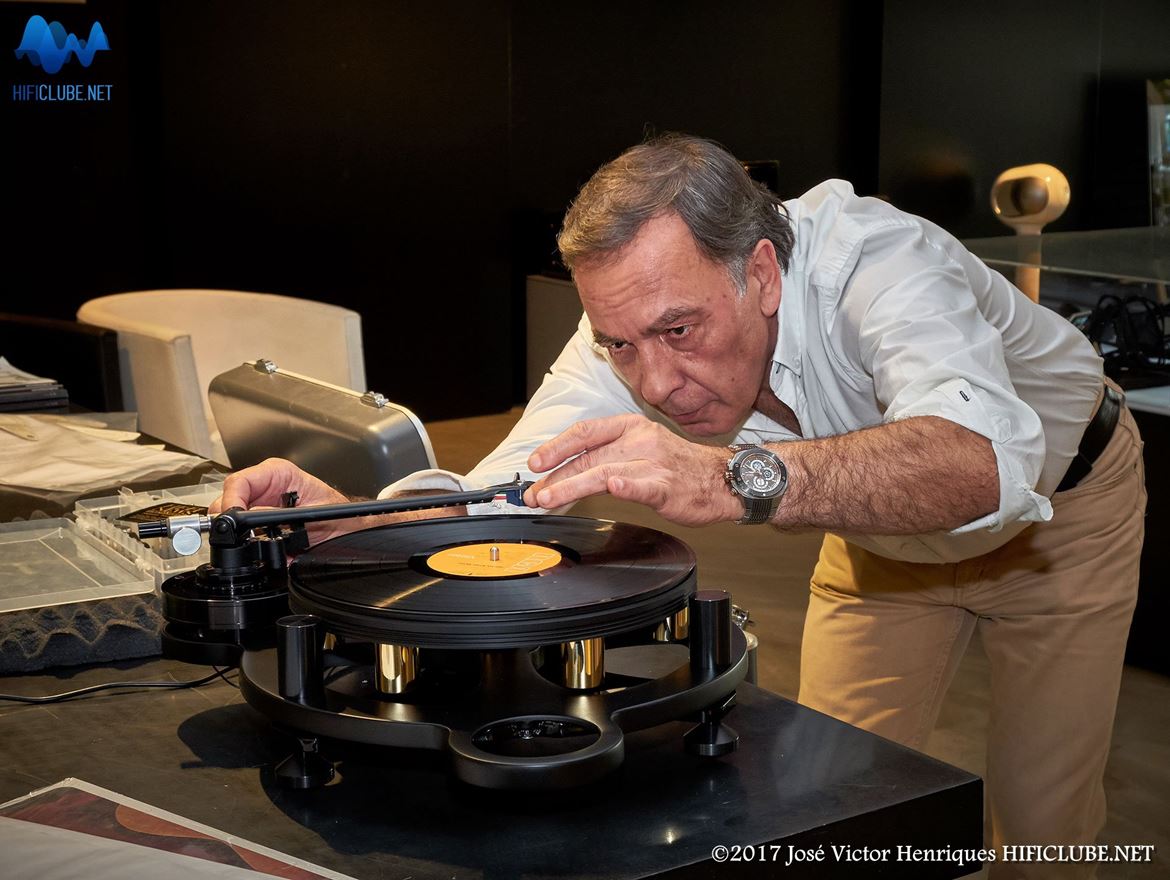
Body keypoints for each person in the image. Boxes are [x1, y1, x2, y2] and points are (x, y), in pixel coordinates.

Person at [214, 134, 1144, 878]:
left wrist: (725, 479)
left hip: (1061, 521)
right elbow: (511, 486)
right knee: (820, 805)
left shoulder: (883, 265)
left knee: (1043, 829)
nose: (656, 380)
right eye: (622, 344)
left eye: (680, 330)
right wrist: (355, 528)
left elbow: (979, 461)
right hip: (880, 550)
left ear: (765, 272)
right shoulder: (629, 319)